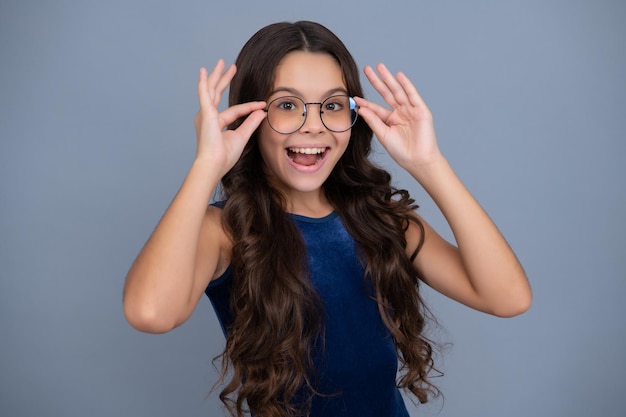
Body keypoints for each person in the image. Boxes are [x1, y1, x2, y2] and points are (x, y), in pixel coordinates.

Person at [123, 20, 531, 417]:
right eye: (287, 105)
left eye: (332, 106)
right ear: (250, 117)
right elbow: (151, 313)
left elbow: (508, 298)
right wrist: (206, 166)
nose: (314, 126)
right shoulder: (224, 232)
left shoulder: (384, 222)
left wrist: (429, 164)